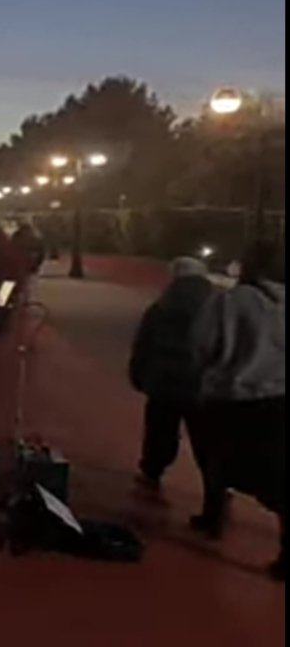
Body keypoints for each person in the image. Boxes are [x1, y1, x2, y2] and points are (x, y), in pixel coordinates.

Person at [188, 242, 285, 580]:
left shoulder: (228, 302)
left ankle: (214, 515)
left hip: (232, 397)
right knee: (277, 473)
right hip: (278, 398)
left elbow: (202, 344)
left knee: (222, 463)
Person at [128, 256, 214, 491]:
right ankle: (216, 484)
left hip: (164, 381)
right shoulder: (216, 306)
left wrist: (138, 373)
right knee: (206, 438)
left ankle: (152, 472)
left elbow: (144, 343)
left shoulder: (161, 307)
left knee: (160, 431)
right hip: (202, 383)